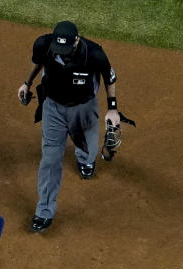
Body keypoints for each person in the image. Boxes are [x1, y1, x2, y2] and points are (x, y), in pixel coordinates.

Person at [17, 20, 120, 232]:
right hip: (53, 107)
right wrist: (26, 83)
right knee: (50, 159)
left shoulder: (94, 54)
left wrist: (112, 108)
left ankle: (86, 160)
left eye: (66, 48)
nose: (61, 53)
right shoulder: (44, 45)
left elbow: (109, 78)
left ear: (76, 41)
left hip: (83, 108)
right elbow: (38, 63)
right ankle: (44, 210)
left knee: (88, 149)